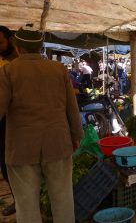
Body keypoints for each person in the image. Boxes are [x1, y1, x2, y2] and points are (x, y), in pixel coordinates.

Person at [0, 28, 83, 222]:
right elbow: (72, 108)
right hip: (58, 143)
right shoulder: (58, 69)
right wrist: (76, 136)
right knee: (63, 199)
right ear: (40, 47)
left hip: (22, 148)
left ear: (17, 47)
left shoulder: (7, 71)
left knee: (26, 204)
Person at [0, 26, 17, 216]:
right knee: (4, 163)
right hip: (3, 120)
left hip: (15, 120)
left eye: (1, 42)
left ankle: (25, 201)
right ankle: (18, 199)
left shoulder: (18, 65)